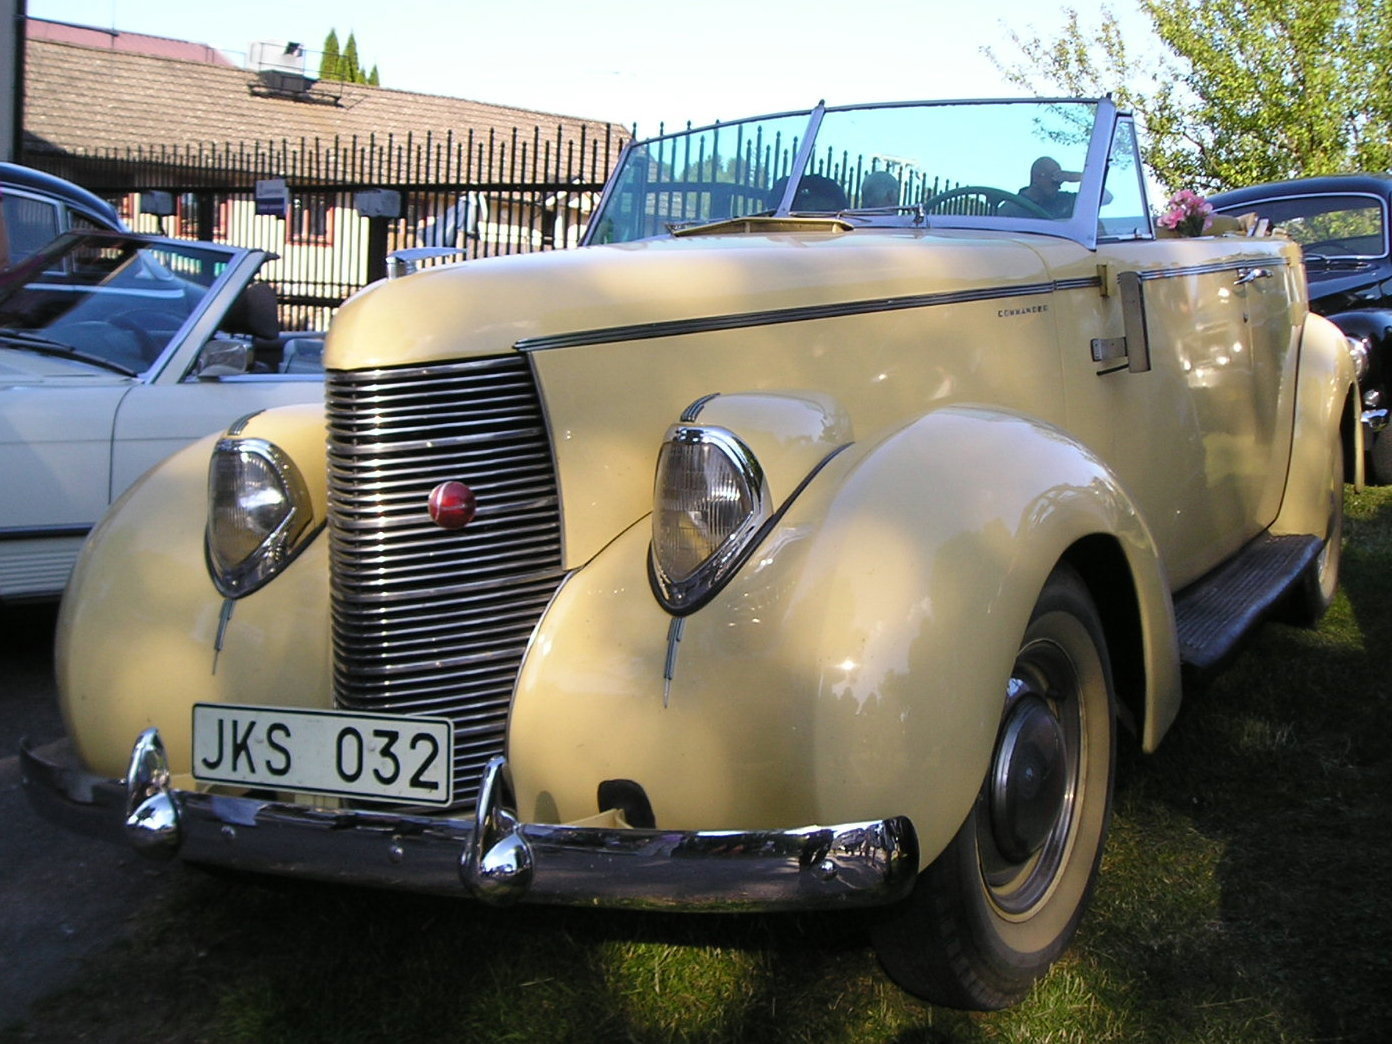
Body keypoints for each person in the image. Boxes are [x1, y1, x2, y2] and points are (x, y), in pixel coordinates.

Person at [1002, 156, 1082, 218]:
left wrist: (1078, 177)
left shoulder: (1065, 201)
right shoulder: (1011, 209)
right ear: (1038, 177)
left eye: (1061, 180)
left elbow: (1092, 199)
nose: (1059, 186)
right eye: (1055, 180)